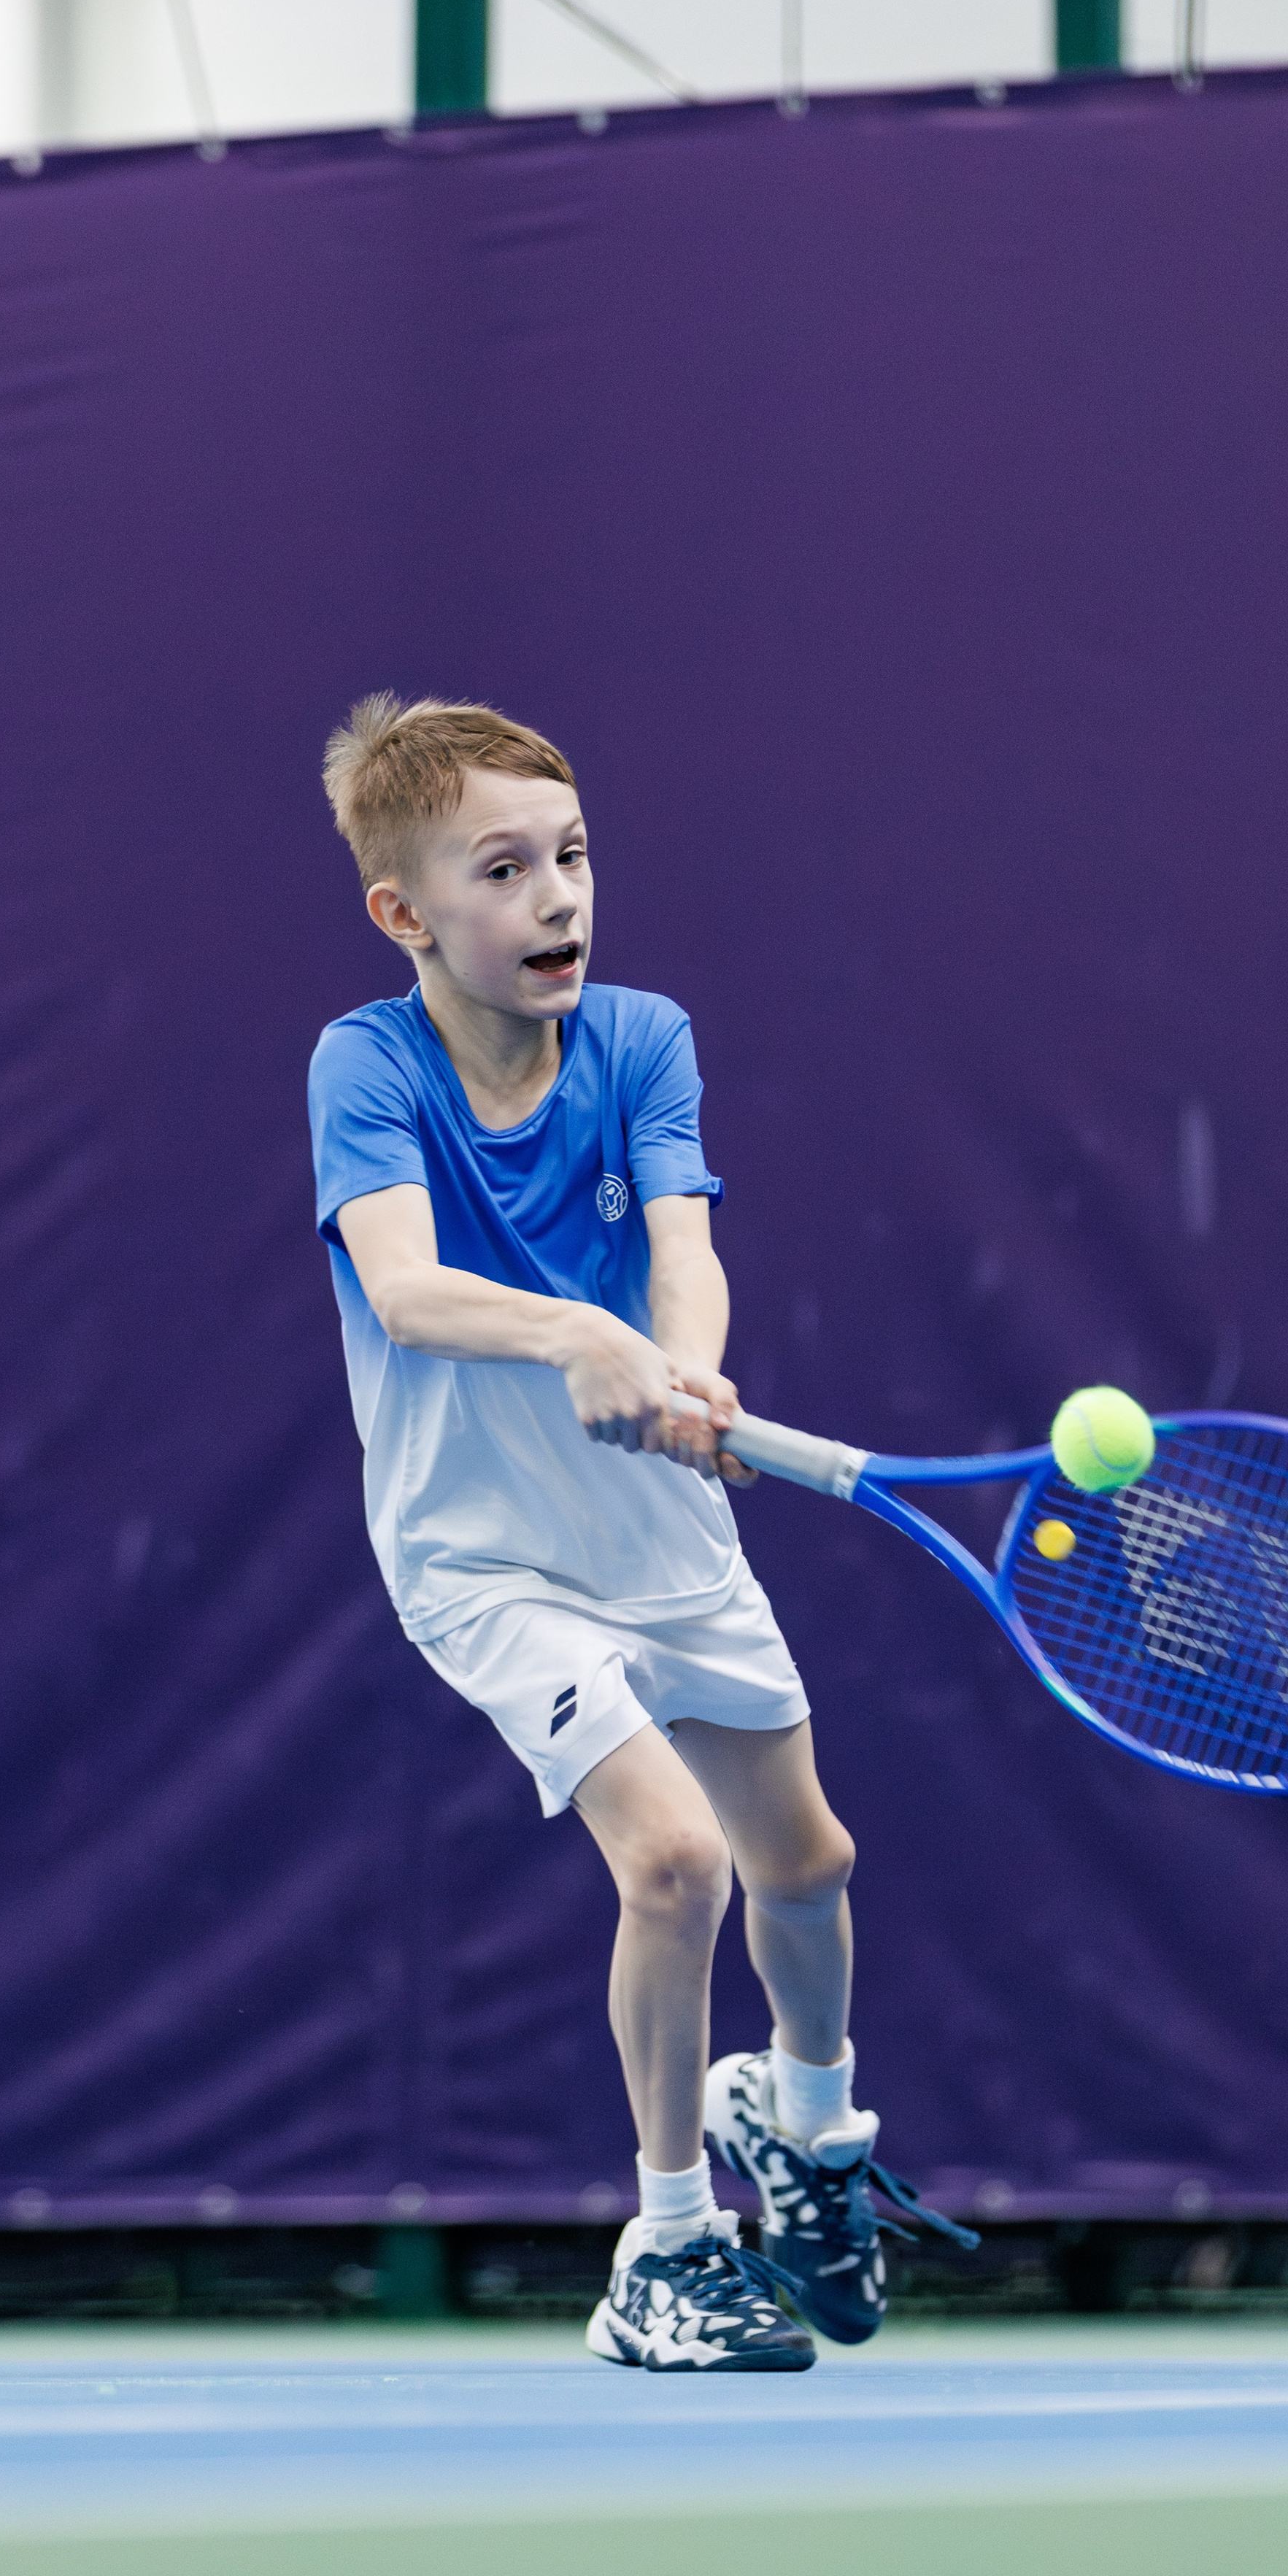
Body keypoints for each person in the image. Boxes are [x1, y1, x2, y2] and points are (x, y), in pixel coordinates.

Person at [309, 695, 971, 2370]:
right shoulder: (365, 1065)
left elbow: (683, 1242)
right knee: (670, 1860)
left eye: (575, 857)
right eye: (505, 868)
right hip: (479, 1554)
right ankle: (666, 2241)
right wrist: (573, 1335)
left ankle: (809, 2133)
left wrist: (682, 1363)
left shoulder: (641, 1037)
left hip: (658, 1526)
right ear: (406, 912)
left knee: (804, 1863)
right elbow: (402, 1285)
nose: (557, 899)